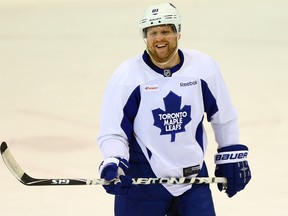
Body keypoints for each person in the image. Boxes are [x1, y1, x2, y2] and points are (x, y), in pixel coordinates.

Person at [97, 2, 251, 216]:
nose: (159, 38)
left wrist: (231, 152)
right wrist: (114, 160)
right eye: (152, 33)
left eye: (165, 31)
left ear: (178, 33)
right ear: (145, 37)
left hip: (193, 178)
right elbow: (113, 131)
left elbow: (223, 115)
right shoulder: (127, 76)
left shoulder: (203, 68)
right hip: (142, 181)